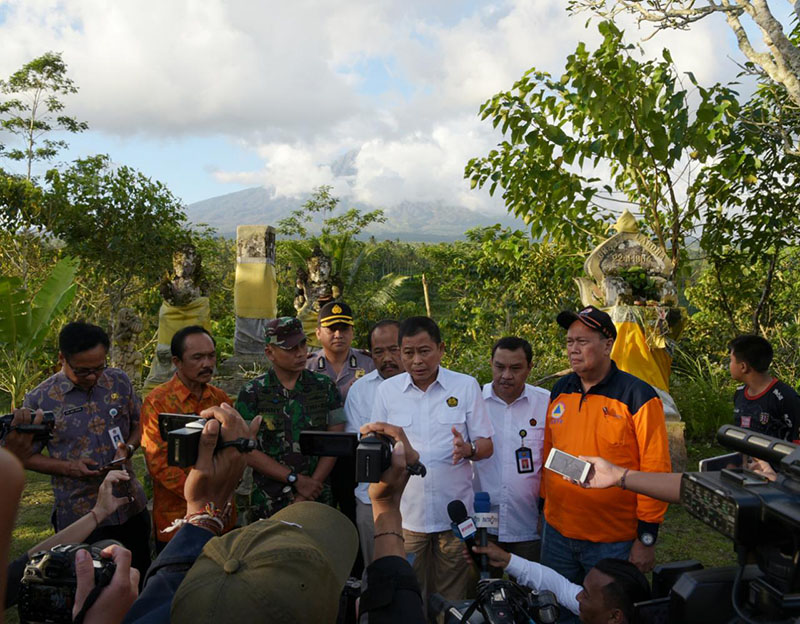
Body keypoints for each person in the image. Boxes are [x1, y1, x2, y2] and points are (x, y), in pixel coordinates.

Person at [124, 405, 426, 623]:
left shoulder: (169, 612)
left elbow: (165, 589)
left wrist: (203, 509)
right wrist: (386, 506)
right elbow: (396, 601)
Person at [541, 306, 670, 594]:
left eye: (583, 342)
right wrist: (543, 506)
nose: (573, 350)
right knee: (556, 608)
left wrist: (646, 537)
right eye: (569, 342)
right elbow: (550, 450)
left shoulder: (638, 396)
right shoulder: (561, 389)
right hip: (557, 533)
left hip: (613, 541)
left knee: (608, 612)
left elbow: (656, 468)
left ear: (608, 344)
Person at [373, 316, 494, 603]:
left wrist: (469, 450)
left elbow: (487, 445)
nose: (417, 360)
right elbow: (376, 447)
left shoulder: (465, 386)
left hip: (454, 517)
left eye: (424, 351)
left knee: (452, 600)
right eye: (408, 352)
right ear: (401, 353)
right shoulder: (386, 392)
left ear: (440, 349)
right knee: (410, 596)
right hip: (406, 517)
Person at [22, 321, 151, 581]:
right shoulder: (40, 400)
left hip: (130, 505)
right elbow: (25, 456)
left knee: (140, 579)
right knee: (91, 589)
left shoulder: (118, 381)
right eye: (83, 371)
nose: (93, 377)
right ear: (62, 359)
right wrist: (70, 468)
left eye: (99, 368)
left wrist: (130, 447)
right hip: (80, 516)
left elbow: (139, 425)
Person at [235, 317, 345, 521]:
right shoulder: (252, 393)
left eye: (302, 344)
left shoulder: (325, 387)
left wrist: (308, 488)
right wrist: (295, 479)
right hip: (269, 501)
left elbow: (335, 440)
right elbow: (246, 450)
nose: (301, 352)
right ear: (270, 352)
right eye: (290, 348)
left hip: (317, 497)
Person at [140, 325, 232, 552]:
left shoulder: (220, 399)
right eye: (198, 357)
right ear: (177, 362)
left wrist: (222, 495)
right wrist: (203, 499)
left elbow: (232, 453)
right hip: (178, 519)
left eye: (211, 356)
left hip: (221, 516)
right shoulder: (157, 402)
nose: (207, 364)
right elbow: (158, 464)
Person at [473, 336, 549, 570]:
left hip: (528, 524)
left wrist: (545, 513)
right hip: (481, 522)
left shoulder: (547, 404)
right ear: (490, 363)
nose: (506, 375)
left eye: (515, 368)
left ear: (530, 368)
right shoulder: (473, 402)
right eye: (500, 367)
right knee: (483, 591)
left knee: (529, 595)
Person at [471, 540, 651, 624]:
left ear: (615, 616)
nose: (578, 597)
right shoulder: (606, 610)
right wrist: (506, 560)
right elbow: (561, 587)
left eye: (586, 595)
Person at [345, 319, 404, 566]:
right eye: (379, 352)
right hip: (372, 500)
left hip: (421, 502)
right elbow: (358, 443)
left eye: (394, 349)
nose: (387, 358)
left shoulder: (429, 388)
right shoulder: (360, 390)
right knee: (379, 574)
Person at [729, 334, 800, 443]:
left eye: (731, 360)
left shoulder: (785, 397)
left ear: (743, 366)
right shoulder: (739, 393)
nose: (729, 365)